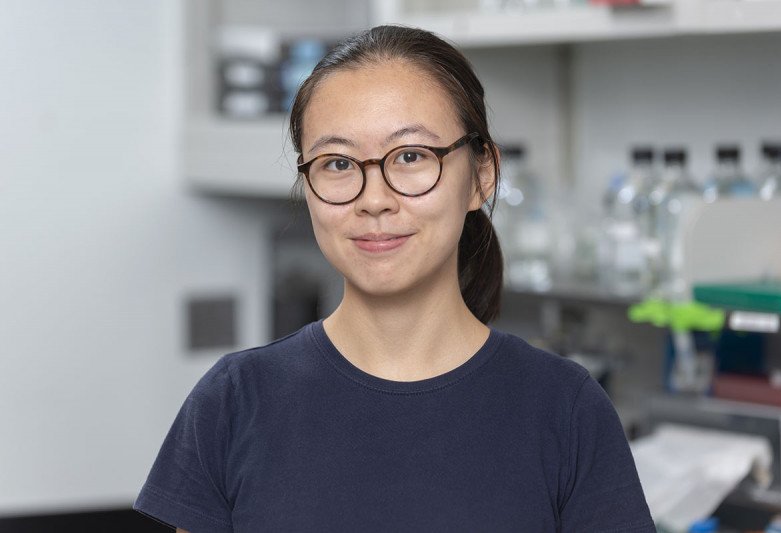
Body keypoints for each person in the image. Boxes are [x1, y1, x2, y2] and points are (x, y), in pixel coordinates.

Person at [134, 25, 655, 532]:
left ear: (482, 175)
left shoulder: (566, 409)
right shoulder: (233, 401)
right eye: (338, 163)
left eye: (410, 156)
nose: (374, 199)